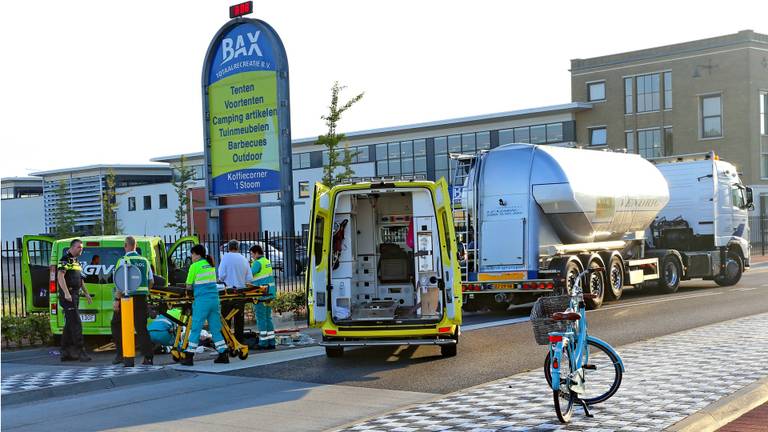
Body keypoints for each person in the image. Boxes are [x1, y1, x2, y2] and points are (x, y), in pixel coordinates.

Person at [181, 245, 229, 366]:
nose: (191, 257)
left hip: (202, 301)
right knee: (215, 329)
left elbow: (188, 285)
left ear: (197, 254)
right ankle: (223, 353)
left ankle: (189, 356)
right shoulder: (210, 266)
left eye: (192, 254)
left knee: (196, 328)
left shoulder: (194, 266)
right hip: (214, 300)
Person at [111, 236, 154, 366]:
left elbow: (120, 283)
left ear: (126, 246)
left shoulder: (124, 260)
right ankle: (148, 358)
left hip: (126, 298)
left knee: (116, 324)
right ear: (136, 245)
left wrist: (116, 300)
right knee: (141, 328)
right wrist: (144, 291)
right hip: (141, 298)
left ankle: (121, 354)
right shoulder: (145, 261)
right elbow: (151, 281)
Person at [57, 239, 92, 362]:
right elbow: (60, 277)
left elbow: (80, 280)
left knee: (69, 324)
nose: (80, 249)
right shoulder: (64, 259)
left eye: (81, 248)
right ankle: (81, 351)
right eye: (78, 247)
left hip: (75, 295)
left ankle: (65, 352)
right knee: (76, 323)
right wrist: (66, 293)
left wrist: (86, 293)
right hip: (68, 296)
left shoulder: (76, 262)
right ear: (72, 247)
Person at [217, 240, 251, 342]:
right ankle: (239, 341)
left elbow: (221, 275)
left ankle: (226, 341)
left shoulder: (225, 258)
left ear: (228, 248)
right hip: (240, 293)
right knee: (239, 319)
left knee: (226, 319)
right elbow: (249, 278)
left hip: (228, 293)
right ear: (238, 248)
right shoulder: (244, 259)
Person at [250, 244, 276, 350]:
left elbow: (249, 275)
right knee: (268, 318)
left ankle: (263, 342)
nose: (251, 256)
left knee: (261, 319)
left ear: (256, 253)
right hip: (269, 293)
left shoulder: (257, 263)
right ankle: (271, 342)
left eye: (252, 254)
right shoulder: (266, 261)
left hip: (260, 294)